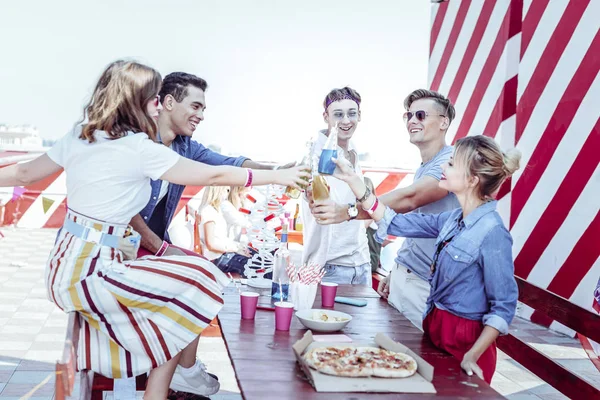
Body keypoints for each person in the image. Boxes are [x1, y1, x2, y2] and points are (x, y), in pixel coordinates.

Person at [0, 60, 310, 400]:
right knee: (201, 282)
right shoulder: (139, 148)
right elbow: (214, 176)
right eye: (153, 98)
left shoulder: (82, 133)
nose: (158, 104)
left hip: (69, 264)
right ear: (138, 100)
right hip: (92, 270)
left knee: (195, 279)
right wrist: (278, 177)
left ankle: (163, 388)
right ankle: (173, 382)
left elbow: (25, 174)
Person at [331, 134, 521, 383]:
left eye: (452, 164)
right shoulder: (453, 218)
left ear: (472, 180)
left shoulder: (493, 232)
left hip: (466, 346)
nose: (443, 166)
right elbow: (394, 221)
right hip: (435, 332)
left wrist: (473, 355)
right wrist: (355, 182)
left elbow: (504, 305)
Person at [311, 89, 460, 329]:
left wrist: (349, 211)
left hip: (428, 284)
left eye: (421, 115)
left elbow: (409, 198)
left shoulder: (450, 161)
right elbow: (417, 224)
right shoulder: (425, 165)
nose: (412, 121)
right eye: (408, 115)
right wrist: (398, 270)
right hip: (409, 275)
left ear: (444, 122)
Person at [131, 72, 293, 258]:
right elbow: (126, 214)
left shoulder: (187, 147)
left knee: (206, 272)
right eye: (195, 106)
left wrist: (276, 170)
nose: (201, 116)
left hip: (157, 244)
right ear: (168, 103)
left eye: (203, 109)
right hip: (125, 244)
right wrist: (162, 249)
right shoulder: (138, 144)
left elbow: (232, 163)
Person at [301, 87, 371, 285]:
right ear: (326, 116)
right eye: (338, 114)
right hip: (329, 266)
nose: (346, 121)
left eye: (352, 113)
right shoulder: (315, 157)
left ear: (360, 115)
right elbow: (312, 198)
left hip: (361, 261)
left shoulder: (353, 151)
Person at [198, 186, 251, 276]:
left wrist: (239, 248)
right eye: (226, 190)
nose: (227, 194)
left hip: (221, 255)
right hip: (218, 258)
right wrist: (235, 249)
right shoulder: (209, 211)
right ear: (218, 191)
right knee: (253, 265)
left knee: (255, 260)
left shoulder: (214, 211)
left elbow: (220, 239)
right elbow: (211, 245)